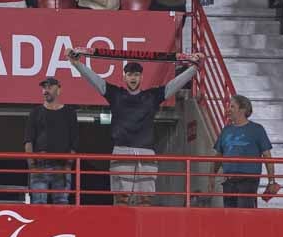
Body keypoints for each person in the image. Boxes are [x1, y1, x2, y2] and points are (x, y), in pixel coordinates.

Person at [70, 52, 199, 206]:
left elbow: (174, 85)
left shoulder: (152, 96)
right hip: (121, 151)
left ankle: (144, 230)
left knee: (146, 199)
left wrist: (194, 68)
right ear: (124, 77)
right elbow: (95, 80)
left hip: (146, 153)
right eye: (130, 74)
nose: (133, 78)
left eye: (136, 75)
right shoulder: (115, 94)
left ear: (141, 77)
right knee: (121, 199)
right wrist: (76, 63)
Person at [212, 95, 276, 208]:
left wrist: (271, 181)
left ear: (242, 110)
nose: (228, 109)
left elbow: (267, 156)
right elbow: (218, 156)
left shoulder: (257, 129)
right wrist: (211, 176)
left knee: (245, 215)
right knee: (229, 216)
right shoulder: (225, 130)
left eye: (232, 106)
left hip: (248, 180)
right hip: (229, 180)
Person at [24, 77, 78, 205]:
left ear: (59, 90)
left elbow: (74, 141)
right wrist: (32, 165)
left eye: (49, 87)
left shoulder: (70, 112)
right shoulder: (35, 112)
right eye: (44, 88)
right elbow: (28, 141)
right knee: (38, 204)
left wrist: (68, 166)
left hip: (62, 166)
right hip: (40, 165)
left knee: (61, 204)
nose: (46, 90)